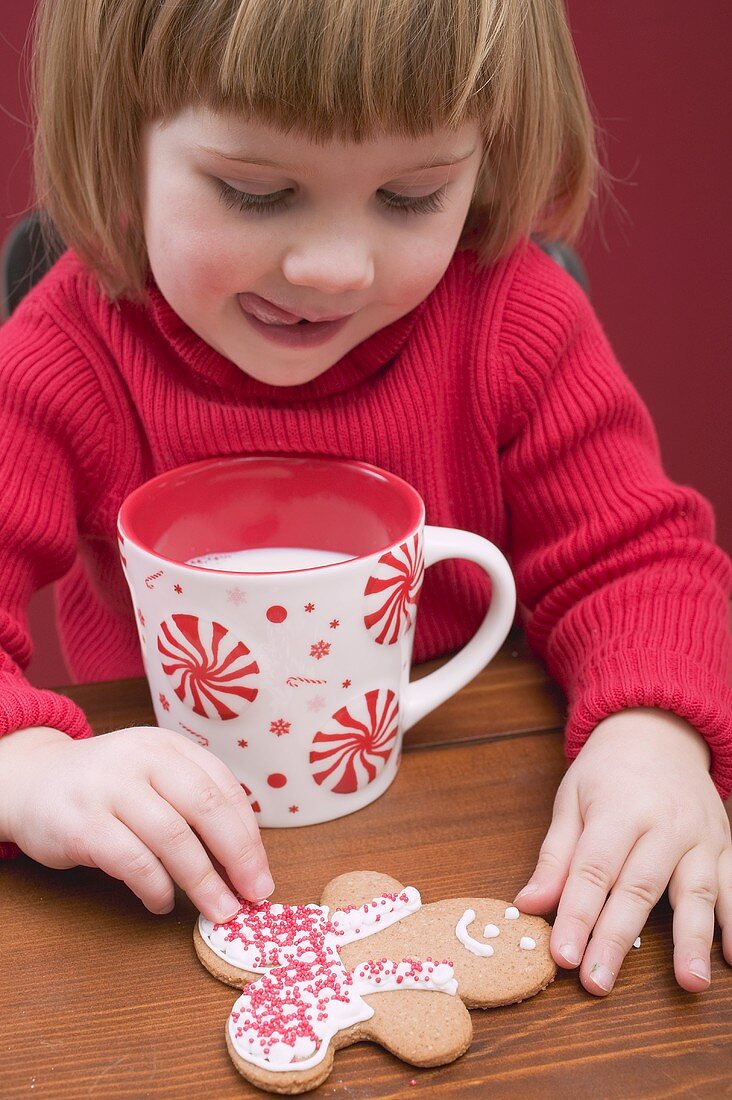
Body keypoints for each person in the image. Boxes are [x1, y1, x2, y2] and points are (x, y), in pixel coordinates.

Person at [0, 0, 729, 1001]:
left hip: (490, 846)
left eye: (412, 194)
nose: (333, 267)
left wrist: (654, 735)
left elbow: (637, 557)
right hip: (159, 905)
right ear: (123, 139)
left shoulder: (515, 320)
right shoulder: (68, 352)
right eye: (254, 191)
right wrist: (26, 767)